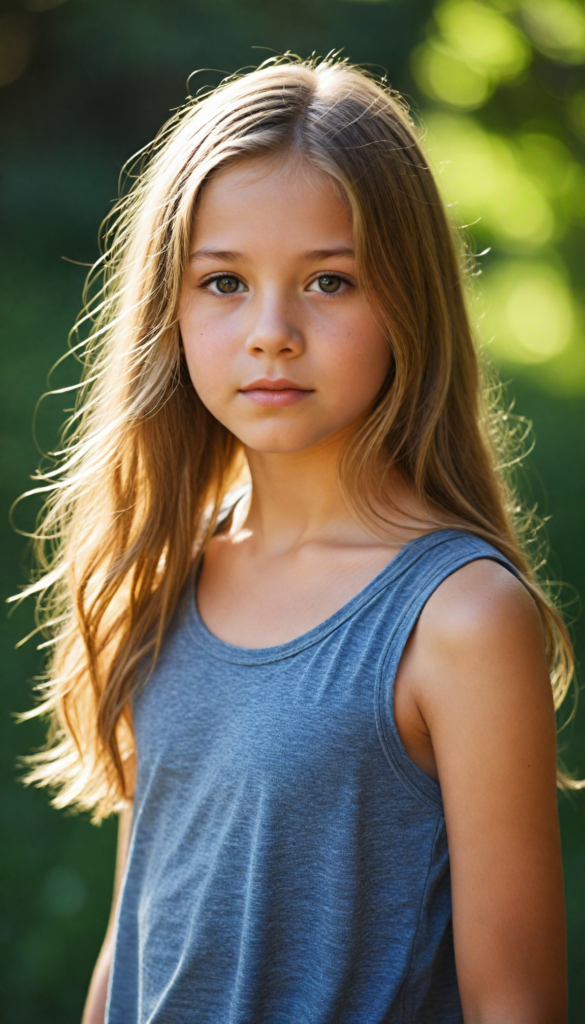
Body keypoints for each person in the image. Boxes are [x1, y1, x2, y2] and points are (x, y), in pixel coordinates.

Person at [20, 57, 572, 1023]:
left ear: (408, 301)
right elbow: (136, 936)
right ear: (169, 310)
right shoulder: (164, 568)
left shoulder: (460, 618)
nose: (271, 331)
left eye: (328, 280)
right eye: (224, 281)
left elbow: (514, 1003)